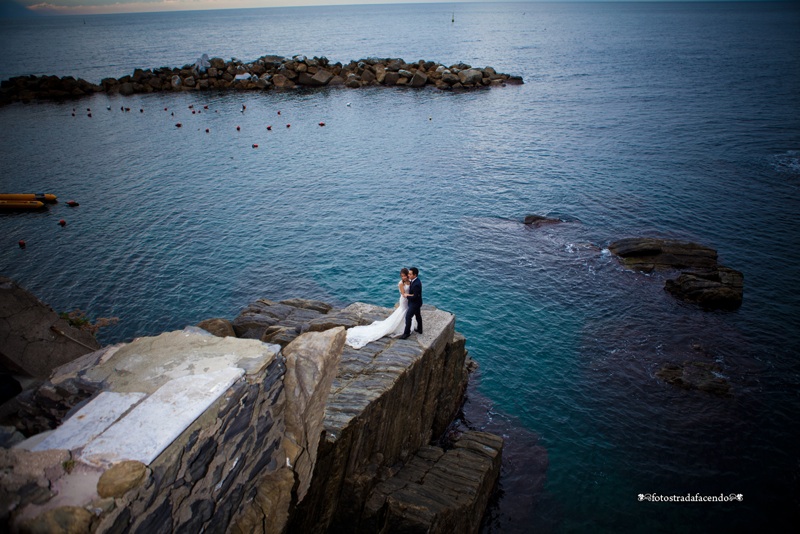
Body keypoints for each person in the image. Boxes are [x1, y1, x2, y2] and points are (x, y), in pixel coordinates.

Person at [345, 268, 417, 349]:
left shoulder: (410, 281)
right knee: (403, 312)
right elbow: (403, 294)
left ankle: (406, 327)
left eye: (404, 276)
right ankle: (401, 327)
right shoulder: (401, 283)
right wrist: (413, 296)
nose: (403, 277)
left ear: (408, 275)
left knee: (408, 312)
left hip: (409, 300)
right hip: (404, 300)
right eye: (402, 276)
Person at [400, 267, 422, 339]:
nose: (408, 275)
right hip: (417, 302)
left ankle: (406, 333)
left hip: (415, 303)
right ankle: (420, 329)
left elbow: (415, 296)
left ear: (415, 275)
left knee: (408, 317)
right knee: (418, 315)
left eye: (410, 274)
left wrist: (407, 296)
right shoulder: (414, 280)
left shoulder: (416, 284)